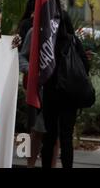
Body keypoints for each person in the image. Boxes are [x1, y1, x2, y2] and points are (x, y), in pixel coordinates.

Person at [41, 11, 89, 168]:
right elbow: (85, 66)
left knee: (49, 136)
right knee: (66, 137)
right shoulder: (74, 41)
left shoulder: (48, 42)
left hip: (51, 94)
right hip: (70, 96)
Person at [19, 0, 59, 168]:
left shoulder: (62, 31)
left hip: (58, 90)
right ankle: (29, 163)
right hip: (36, 90)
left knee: (54, 133)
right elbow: (21, 56)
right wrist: (32, 72)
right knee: (34, 130)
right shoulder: (32, 30)